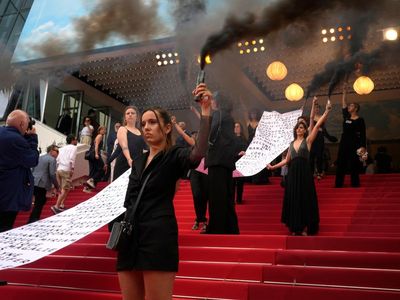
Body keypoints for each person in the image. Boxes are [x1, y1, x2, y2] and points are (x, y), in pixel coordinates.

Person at [116, 83, 212, 300]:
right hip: (130, 236)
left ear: (167, 128)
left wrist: (205, 112)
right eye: (143, 124)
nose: (146, 127)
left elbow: (197, 153)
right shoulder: (138, 161)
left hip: (158, 235)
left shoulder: (174, 155)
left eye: (153, 122)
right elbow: (129, 199)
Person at [267, 99, 332, 236]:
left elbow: (315, 124)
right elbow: (286, 160)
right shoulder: (291, 144)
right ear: (295, 130)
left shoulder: (308, 141)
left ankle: (304, 227)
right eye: (297, 127)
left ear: (304, 130)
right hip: (292, 175)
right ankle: (295, 227)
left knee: (305, 199)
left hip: (304, 174)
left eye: (302, 127)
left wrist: (326, 111)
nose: (299, 129)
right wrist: (273, 167)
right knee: (294, 199)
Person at [204, 91, 239, 234]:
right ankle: (230, 228)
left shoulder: (218, 115)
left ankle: (216, 228)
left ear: (217, 102)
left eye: (213, 100)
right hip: (226, 162)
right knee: (226, 197)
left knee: (216, 197)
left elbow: (208, 134)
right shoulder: (229, 117)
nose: (211, 102)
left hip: (216, 161)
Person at [0, 110, 39, 232]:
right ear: (22, 124)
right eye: (27, 123)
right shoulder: (16, 140)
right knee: (5, 227)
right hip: (8, 194)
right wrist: (32, 139)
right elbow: (32, 160)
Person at [335, 82, 366, 188]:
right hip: (344, 142)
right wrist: (344, 91)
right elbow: (344, 103)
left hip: (355, 143)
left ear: (356, 108)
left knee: (354, 163)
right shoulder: (346, 117)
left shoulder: (360, 120)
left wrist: (362, 146)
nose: (349, 106)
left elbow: (363, 134)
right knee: (341, 162)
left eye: (351, 105)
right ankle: (339, 184)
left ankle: (355, 183)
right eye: (349, 105)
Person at [28, 145, 60, 223]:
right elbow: (52, 174)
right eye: (57, 151)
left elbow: (32, 169)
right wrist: (57, 185)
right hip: (42, 183)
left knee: (38, 201)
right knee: (40, 202)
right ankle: (33, 220)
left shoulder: (39, 157)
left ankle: (33, 219)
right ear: (51, 151)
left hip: (34, 181)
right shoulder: (52, 159)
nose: (58, 153)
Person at [113, 106, 147, 180]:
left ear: (137, 117)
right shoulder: (122, 129)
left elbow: (145, 149)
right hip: (124, 162)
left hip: (137, 164)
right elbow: (124, 146)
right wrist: (129, 159)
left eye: (132, 113)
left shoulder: (141, 131)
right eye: (128, 113)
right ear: (125, 117)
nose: (130, 114)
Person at [51, 134, 78, 214]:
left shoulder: (62, 148)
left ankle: (61, 204)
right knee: (65, 188)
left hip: (59, 169)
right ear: (72, 140)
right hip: (66, 169)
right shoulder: (74, 147)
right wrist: (72, 169)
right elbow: (72, 158)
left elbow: (58, 159)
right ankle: (56, 206)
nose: (76, 141)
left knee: (65, 188)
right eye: (75, 139)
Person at [85, 126, 107, 191]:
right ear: (100, 130)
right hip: (94, 154)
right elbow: (96, 145)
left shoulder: (99, 136)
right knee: (103, 168)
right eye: (103, 129)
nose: (105, 131)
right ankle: (92, 180)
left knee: (93, 170)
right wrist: (96, 154)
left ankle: (88, 187)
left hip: (93, 155)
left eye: (105, 130)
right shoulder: (100, 136)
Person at [233, 122, 247, 204]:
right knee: (232, 183)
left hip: (242, 163)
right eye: (235, 127)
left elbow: (248, 149)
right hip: (233, 162)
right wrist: (238, 154)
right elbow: (229, 151)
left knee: (240, 183)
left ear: (241, 128)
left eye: (238, 126)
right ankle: (231, 199)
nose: (236, 128)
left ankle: (239, 199)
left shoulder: (244, 139)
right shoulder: (230, 139)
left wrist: (245, 152)